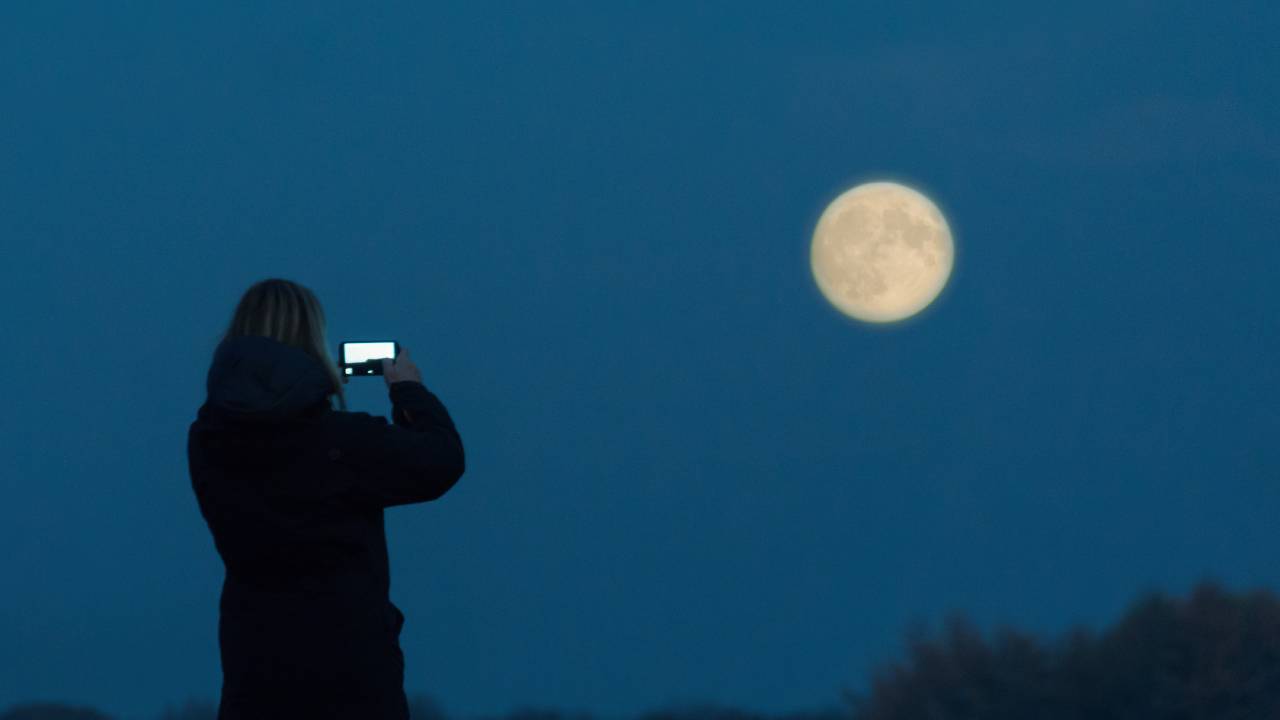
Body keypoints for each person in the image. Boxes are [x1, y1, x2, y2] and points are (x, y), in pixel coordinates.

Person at [186, 278, 466, 719]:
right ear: (310, 342)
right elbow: (441, 461)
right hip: (351, 672)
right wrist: (409, 390)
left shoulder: (207, 440)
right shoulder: (343, 441)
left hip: (253, 667)